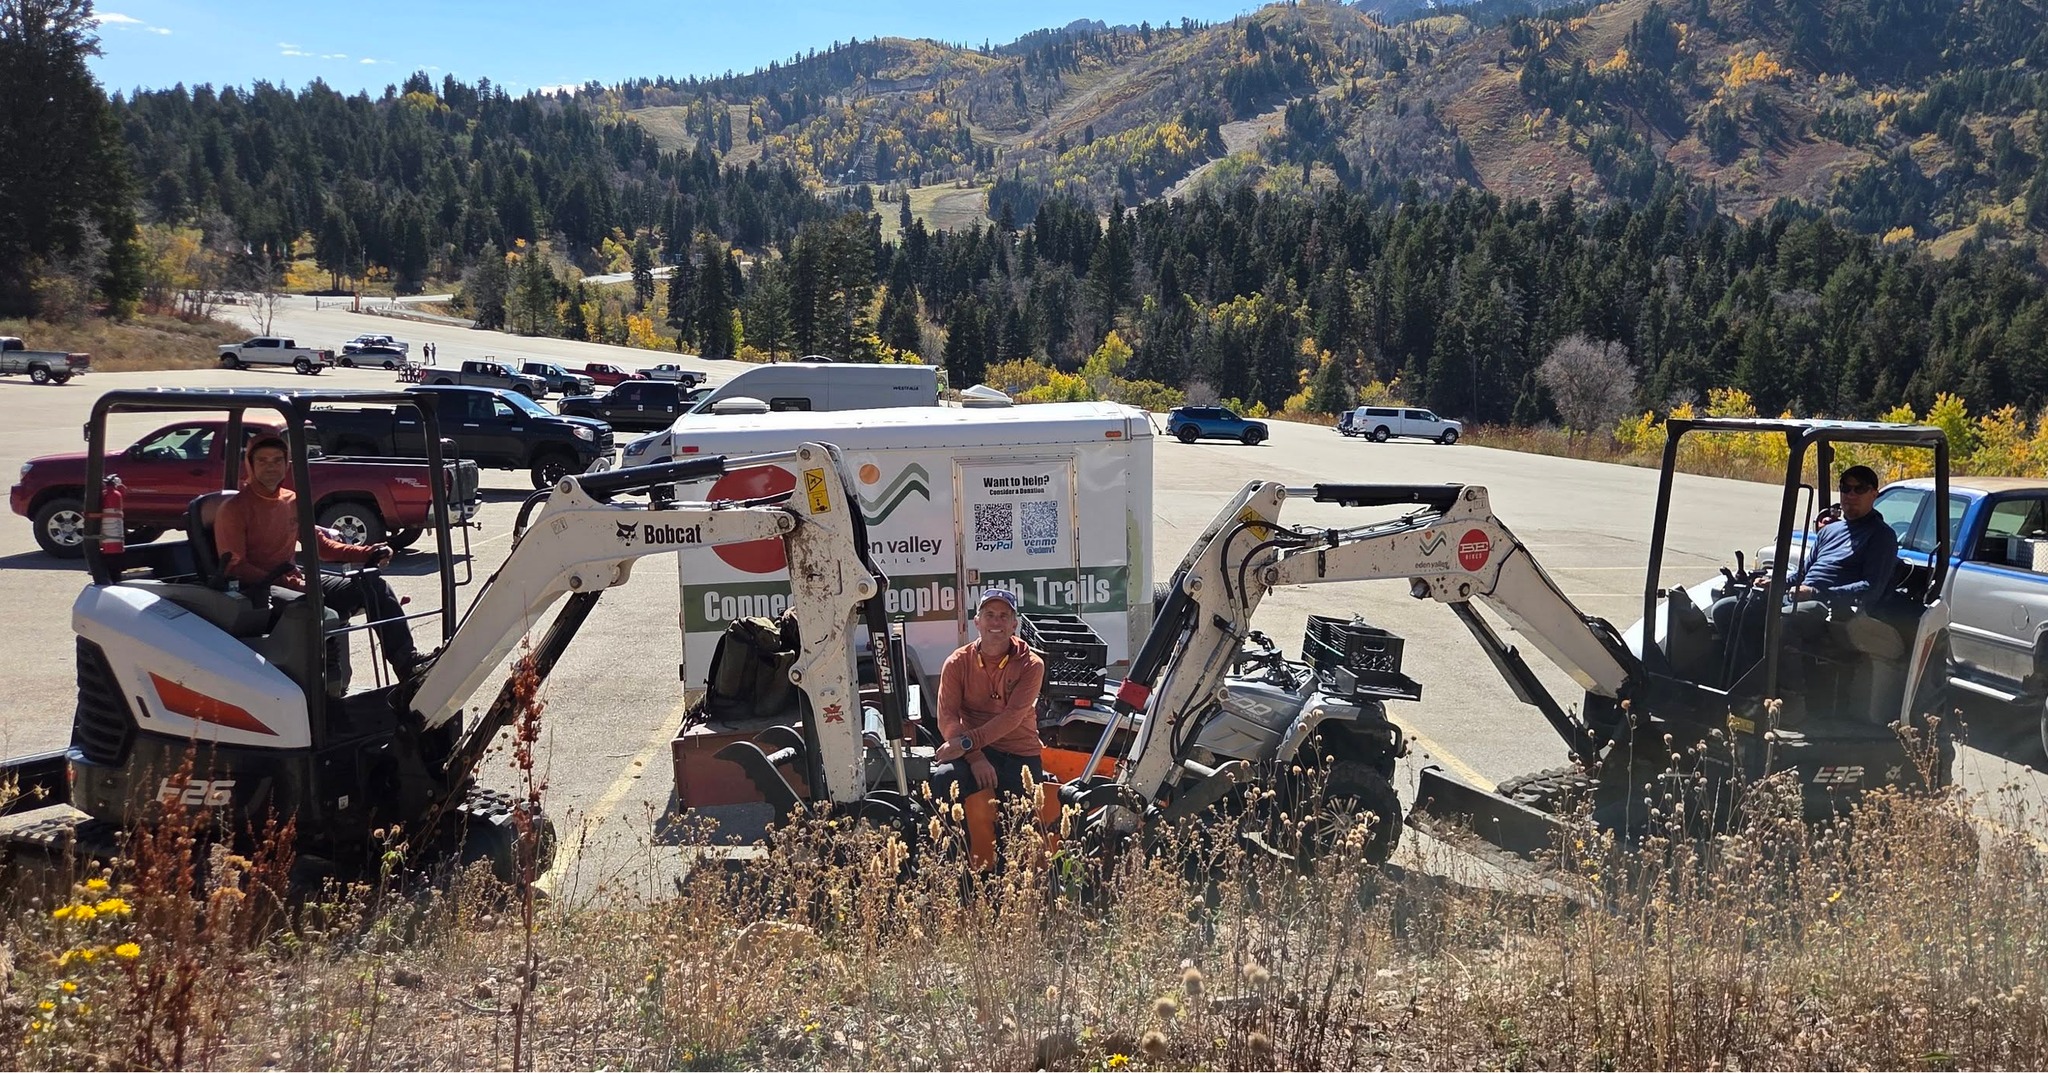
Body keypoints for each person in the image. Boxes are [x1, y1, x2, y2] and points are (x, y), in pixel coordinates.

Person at [214, 433, 424, 679]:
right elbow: (236, 566)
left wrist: (367, 551)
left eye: (277, 460)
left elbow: (321, 546)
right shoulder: (234, 509)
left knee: (374, 586)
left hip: (292, 581)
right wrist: (289, 583)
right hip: (256, 590)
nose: (271, 467)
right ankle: (325, 684)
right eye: (262, 460)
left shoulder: (291, 500)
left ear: (286, 464)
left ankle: (408, 665)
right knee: (312, 605)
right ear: (250, 464)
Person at [1709, 464, 1898, 682]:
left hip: (1834, 608)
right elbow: (1803, 572)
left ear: (1873, 494)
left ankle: (1791, 695)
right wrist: (1774, 582)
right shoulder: (1830, 531)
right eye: (1846, 488)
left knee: (1784, 622)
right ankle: (1745, 682)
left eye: (1860, 489)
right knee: (1727, 609)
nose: (1851, 495)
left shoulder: (1881, 535)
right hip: (1798, 597)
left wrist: (1815, 592)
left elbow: (1871, 587)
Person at [929, 588, 1046, 803]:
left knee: (1023, 817)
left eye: (1003, 616)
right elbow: (947, 718)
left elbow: (1012, 716)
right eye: (989, 615)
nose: (996, 622)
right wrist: (975, 757)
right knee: (943, 779)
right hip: (974, 751)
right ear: (977, 621)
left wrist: (966, 743)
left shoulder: (1031, 664)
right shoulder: (956, 662)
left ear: (1014, 624)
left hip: (1018, 753)